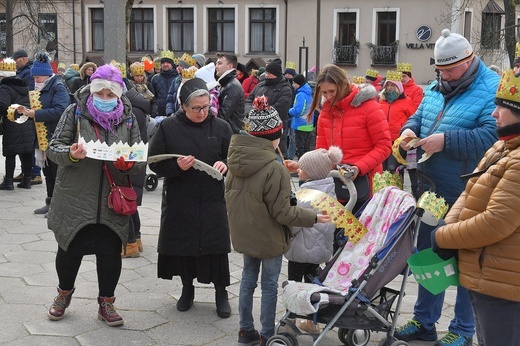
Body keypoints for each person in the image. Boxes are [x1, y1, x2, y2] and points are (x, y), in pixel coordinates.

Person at [394, 29, 500, 346]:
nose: (444, 76)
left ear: (469, 61)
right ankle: (424, 321)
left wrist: (446, 141)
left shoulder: (491, 89)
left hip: (468, 190)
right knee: (429, 256)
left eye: (449, 70)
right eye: (440, 70)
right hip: (431, 188)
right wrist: (407, 131)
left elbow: (492, 137)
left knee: (466, 261)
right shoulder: (437, 85)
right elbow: (419, 114)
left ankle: (463, 329)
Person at [45, 64, 145, 326]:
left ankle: (107, 303)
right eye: (99, 93)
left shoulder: (129, 119)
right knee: (69, 249)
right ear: (91, 90)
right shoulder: (75, 112)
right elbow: (53, 148)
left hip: (112, 201)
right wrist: (71, 154)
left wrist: (130, 164)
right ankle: (63, 295)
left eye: (109, 95)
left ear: (118, 94)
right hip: (76, 197)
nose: (103, 99)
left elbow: (140, 157)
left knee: (110, 253)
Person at [225, 95, 330, 346]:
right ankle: (266, 332)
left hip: (244, 232)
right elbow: (283, 213)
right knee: (269, 284)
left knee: (248, 280)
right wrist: (313, 217)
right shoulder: (274, 168)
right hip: (269, 236)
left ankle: (245, 330)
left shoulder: (236, 158)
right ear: (275, 136)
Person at [431, 68, 520, 346]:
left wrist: (444, 236)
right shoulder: (502, 148)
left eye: (501, 107)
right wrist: (448, 226)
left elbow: (496, 221)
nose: (494, 113)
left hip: (503, 282)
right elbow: (468, 192)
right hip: (485, 273)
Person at [148, 78, 234, 318]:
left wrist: (225, 164)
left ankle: (221, 293)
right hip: (180, 196)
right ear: (183, 106)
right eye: (196, 108)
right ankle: (187, 289)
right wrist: (176, 166)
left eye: (206, 107)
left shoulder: (221, 127)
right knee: (184, 246)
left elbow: (235, 158)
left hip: (212, 197)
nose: (202, 112)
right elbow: (154, 162)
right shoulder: (168, 127)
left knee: (216, 247)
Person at [285, 64, 391, 210]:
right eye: (324, 93)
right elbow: (321, 151)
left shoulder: (370, 107)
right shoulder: (325, 112)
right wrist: (303, 166)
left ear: (343, 84)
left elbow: (384, 146)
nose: (328, 97)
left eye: (332, 91)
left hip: (366, 184)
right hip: (335, 184)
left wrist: (358, 168)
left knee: (360, 231)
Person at [284, 146, 341, 334]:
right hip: (319, 251)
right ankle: (313, 322)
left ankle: (290, 318)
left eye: (301, 168)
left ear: (311, 173)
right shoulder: (330, 192)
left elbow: (295, 222)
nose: (298, 170)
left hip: (300, 251)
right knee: (313, 287)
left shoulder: (306, 196)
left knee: (294, 285)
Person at [16, 51, 70, 216]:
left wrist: (36, 114)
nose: (35, 81)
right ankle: (50, 202)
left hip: (55, 136)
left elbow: (61, 111)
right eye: (34, 78)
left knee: (56, 172)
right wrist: (25, 111)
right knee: (47, 172)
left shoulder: (58, 87)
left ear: (46, 75)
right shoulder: (43, 87)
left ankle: (59, 207)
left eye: (37, 78)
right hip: (43, 136)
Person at [245, 59, 293, 158]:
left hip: (275, 132)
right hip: (256, 132)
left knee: (276, 158)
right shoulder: (260, 85)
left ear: (276, 74)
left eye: (269, 73)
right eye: (266, 72)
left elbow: (281, 107)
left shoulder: (285, 89)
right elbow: (249, 100)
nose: (266, 75)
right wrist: (251, 112)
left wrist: (262, 113)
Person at [0, 58, 35, 190]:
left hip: (12, 123)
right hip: (27, 122)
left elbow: (3, 104)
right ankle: (27, 180)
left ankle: (8, 181)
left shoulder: (5, 87)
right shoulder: (24, 85)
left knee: (10, 153)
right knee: (26, 152)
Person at [379, 71, 415, 171]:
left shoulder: (406, 101)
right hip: (383, 139)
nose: (390, 87)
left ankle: (394, 186)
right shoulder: (381, 101)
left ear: (398, 87)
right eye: (388, 85)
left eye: (393, 85)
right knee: (381, 169)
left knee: (393, 169)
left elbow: (412, 118)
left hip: (398, 141)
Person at [215, 52, 245, 134]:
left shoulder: (232, 86)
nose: (216, 66)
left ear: (230, 66)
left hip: (231, 135)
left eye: (219, 63)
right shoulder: (226, 83)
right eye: (216, 63)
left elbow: (223, 115)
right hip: (228, 133)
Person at [288, 73, 314, 159]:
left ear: (298, 83)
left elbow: (298, 110)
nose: (293, 85)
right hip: (308, 124)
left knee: (300, 149)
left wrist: (289, 111)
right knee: (306, 149)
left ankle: (301, 168)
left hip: (300, 125)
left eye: (294, 83)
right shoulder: (309, 93)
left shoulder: (300, 94)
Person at [150, 50, 179, 117]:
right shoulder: (155, 78)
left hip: (173, 113)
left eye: (168, 62)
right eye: (163, 62)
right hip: (159, 113)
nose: (165, 64)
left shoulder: (177, 79)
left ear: (172, 64)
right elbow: (153, 97)